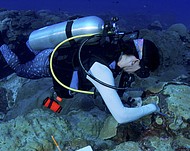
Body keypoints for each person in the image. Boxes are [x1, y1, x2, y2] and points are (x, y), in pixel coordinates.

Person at [0, 18, 160, 124]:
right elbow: (121, 116)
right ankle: (2, 44)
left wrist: (129, 99)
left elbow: (109, 91)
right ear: (135, 60)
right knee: (19, 69)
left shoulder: (112, 52)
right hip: (44, 62)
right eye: (142, 72)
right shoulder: (102, 69)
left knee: (18, 61)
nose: (136, 74)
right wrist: (153, 107)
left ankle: (11, 47)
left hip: (53, 56)